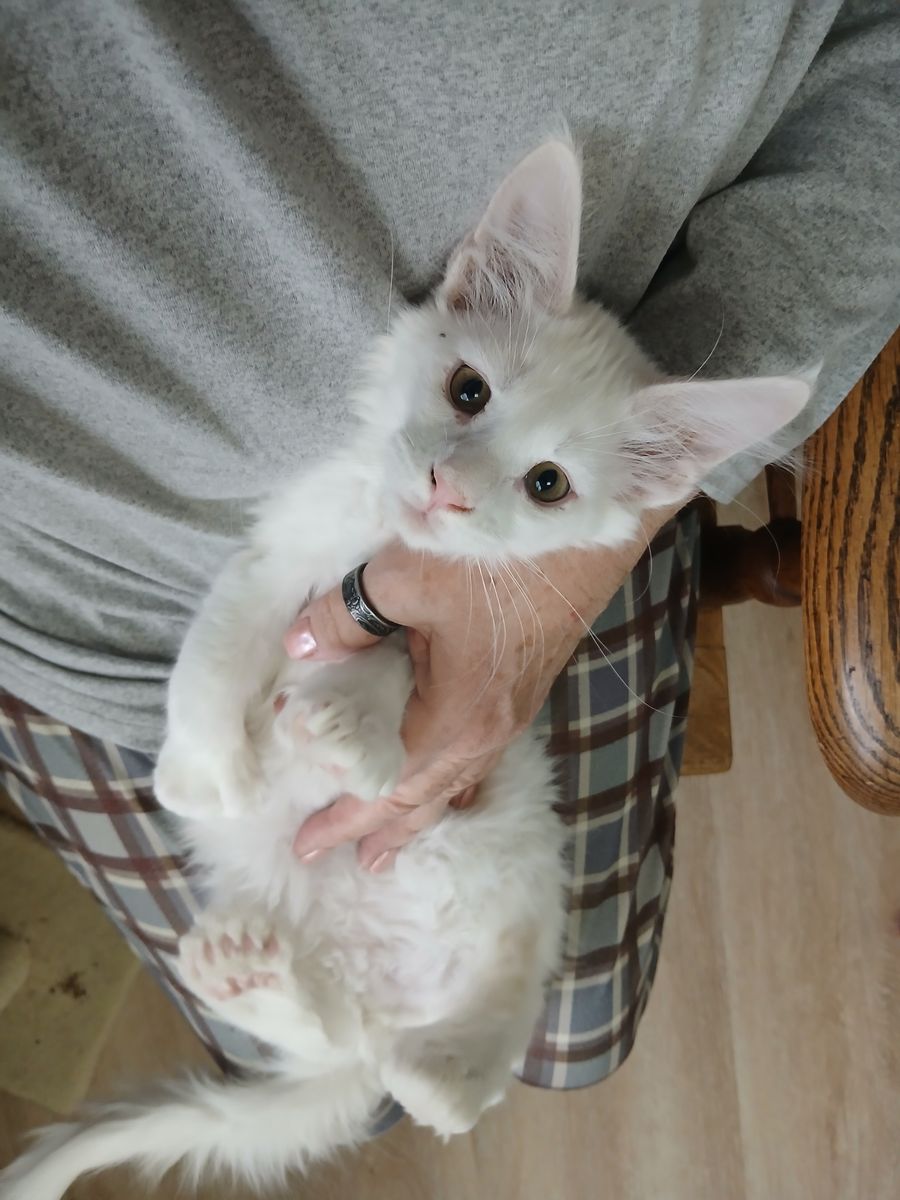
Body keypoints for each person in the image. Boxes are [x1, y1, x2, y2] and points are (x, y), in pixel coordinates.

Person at [1, 0, 897, 1112]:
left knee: (542, 1010)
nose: (453, 486)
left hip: (446, 618)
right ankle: (361, 1031)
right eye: (469, 393)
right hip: (72, 603)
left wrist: (569, 585)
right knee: (399, 995)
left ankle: (400, 1032)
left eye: (543, 481)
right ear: (473, 288)